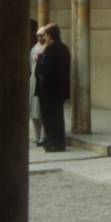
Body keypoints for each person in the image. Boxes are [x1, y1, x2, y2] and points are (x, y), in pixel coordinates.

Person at [36, 22, 71, 153]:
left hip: (53, 91)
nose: (43, 38)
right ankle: (52, 141)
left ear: (50, 35)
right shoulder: (53, 48)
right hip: (50, 91)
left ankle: (57, 144)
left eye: (45, 34)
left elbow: (50, 72)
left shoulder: (57, 49)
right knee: (50, 118)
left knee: (55, 118)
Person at [29, 23, 47, 146]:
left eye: (42, 36)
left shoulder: (48, 49)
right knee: (34, 112)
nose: (40, 38)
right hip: (34, 81)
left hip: (43, 83)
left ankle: (44, 136)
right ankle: (36, 135)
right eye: (38, 36)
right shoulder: (34, 49)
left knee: (43, 111)